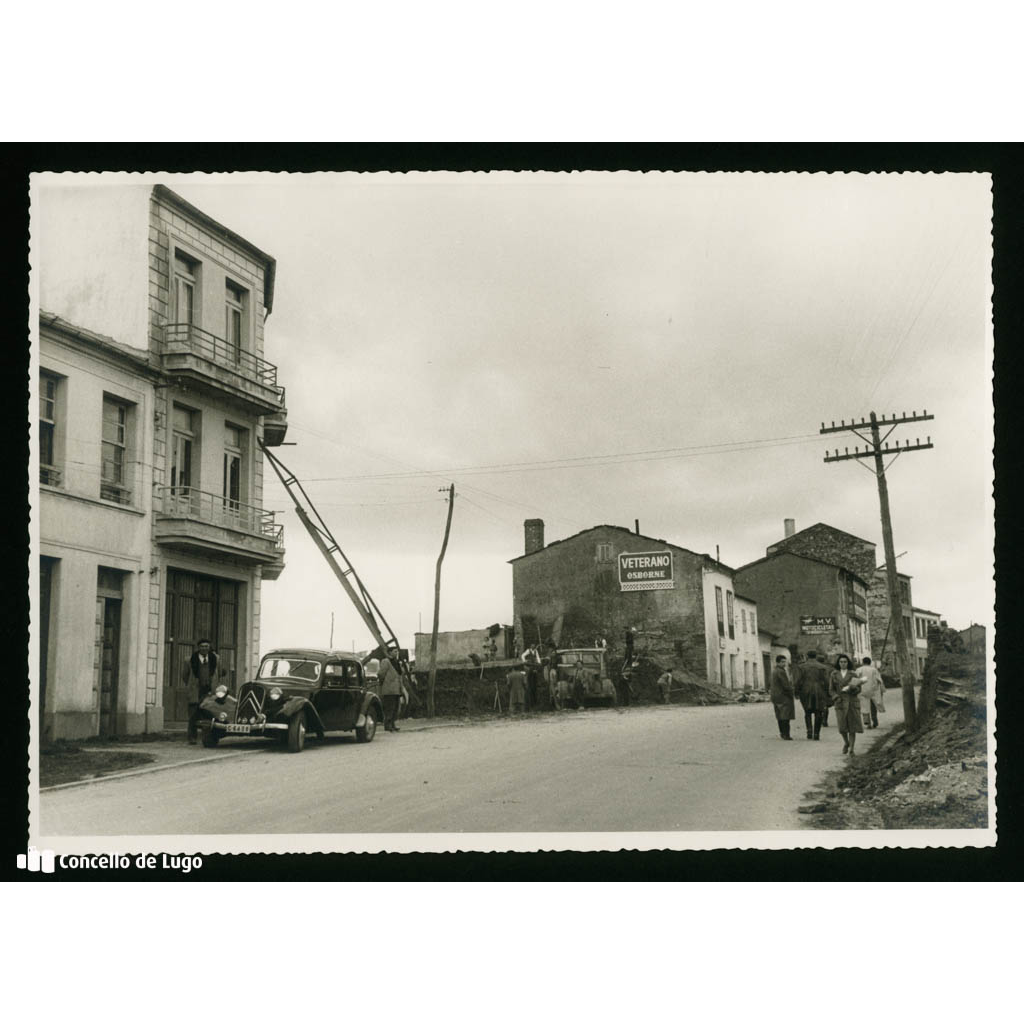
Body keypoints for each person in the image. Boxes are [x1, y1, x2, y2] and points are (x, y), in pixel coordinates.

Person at [182, 639, 225, 744]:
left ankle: (207, 738)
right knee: (193, 715)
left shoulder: (216, 659)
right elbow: (185, 676)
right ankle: (192, 738)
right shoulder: (189, 660)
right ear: (198, 647)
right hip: (196, 692)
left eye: (206, 646)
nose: (204, 648)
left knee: (209, 714)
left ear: (209, 647)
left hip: (210, 692)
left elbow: (220, 673)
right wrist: (192, 685)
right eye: (202, 646)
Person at [829, 653, 863, 755]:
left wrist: (853, 688)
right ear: (838, 663)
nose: (843, 663)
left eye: (845, 662)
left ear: (848, 663)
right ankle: (846, 742)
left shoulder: (853, 674)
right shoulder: (834, 674)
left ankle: (852, 749)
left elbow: (859, 689)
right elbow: (831, 689)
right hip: (840, 702)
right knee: (842, 727)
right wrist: (836, 697)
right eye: (841, 662)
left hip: (852, 701)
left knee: (852, 727)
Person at [794, 649, 830, 740]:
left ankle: (809, 731)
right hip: (819, 690)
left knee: (807, 712)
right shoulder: (822, 667)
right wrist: (828, 692)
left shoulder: (801, 667)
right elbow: (826, 681)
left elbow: (798, 680)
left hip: (805, 690)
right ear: (816, 656)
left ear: (807, 656)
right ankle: (816, 734)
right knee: (819, 712)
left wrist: (796, 692)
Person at [769, 654, 795, 740]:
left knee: (779, 716)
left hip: (775, 696)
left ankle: (782, 733)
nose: (784, 664)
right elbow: (786, 685)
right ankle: (786, 734)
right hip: (783, 696)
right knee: (785, 716)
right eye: (782, 662)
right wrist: (792, 692)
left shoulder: (774, 671)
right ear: (778, 662)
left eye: (785, 662)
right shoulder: (781, 671)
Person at [856, 656, 885, 728]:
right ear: (870, 662)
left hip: (862, 690)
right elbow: (879, 680)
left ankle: (867, 722)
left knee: (864, 706)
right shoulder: (874, 670)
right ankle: (875, 720)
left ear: (863, 662)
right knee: (873, 706)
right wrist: (882, 690)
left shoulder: (859, 669)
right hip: (873, 690)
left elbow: (856, 680)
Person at [378, 655, 403, 732]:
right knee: (389, 707)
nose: (396, 653)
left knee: (395, 707)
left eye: (397, 651)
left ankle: (392, 724)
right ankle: (387, 725)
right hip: (389, 689)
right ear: (389, 652)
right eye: (394, 651)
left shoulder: (397, 663)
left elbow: (400, 675)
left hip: (396, 689)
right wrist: (384, 683)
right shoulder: (386, 661)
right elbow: (381, 674)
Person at [522, 644, 541, 711]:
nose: (533, 648)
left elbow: (538, 657)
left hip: (534, 665)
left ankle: (536, 683)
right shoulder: (528, 650)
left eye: (534, 647)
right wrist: (525, 661)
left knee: (535, 674)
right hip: (530, 665)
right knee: (530, 677)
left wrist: (539, 662)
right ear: (530, 647)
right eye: (532, 647)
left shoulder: (536, 651)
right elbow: (523, 655)